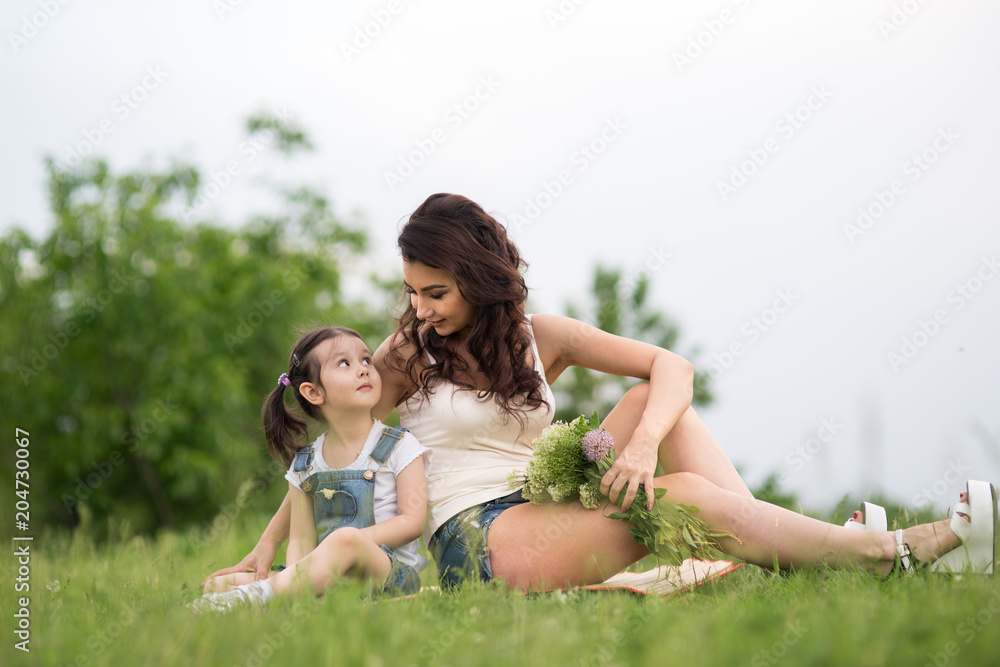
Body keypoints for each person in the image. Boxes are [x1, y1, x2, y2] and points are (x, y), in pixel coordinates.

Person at [203, 194, 996, 593]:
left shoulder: (538, 334)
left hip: (538, 502)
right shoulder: (408, 353)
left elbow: (673, 368)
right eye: (412, 291)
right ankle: (890, 552)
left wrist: (643, 441)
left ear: (478, 277)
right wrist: (264, 552)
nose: (419, 308)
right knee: (682, 495)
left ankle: (790, 554)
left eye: (436, 290)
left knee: (667, 416)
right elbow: (335, 454)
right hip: (478, 540)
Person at [194, 326, 430, 611]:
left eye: (366, 360)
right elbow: (301, 539)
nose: (364, 369)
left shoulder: (400, 445)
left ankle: (256, 599)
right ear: (313, 392)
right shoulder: (306, 463)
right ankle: (295, 596)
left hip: (385, 574)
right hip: (329, 574)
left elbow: (411, 522)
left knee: (343, 540)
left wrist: (347, 545)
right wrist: (303, 576)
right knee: (219, 584)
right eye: (345, 363)